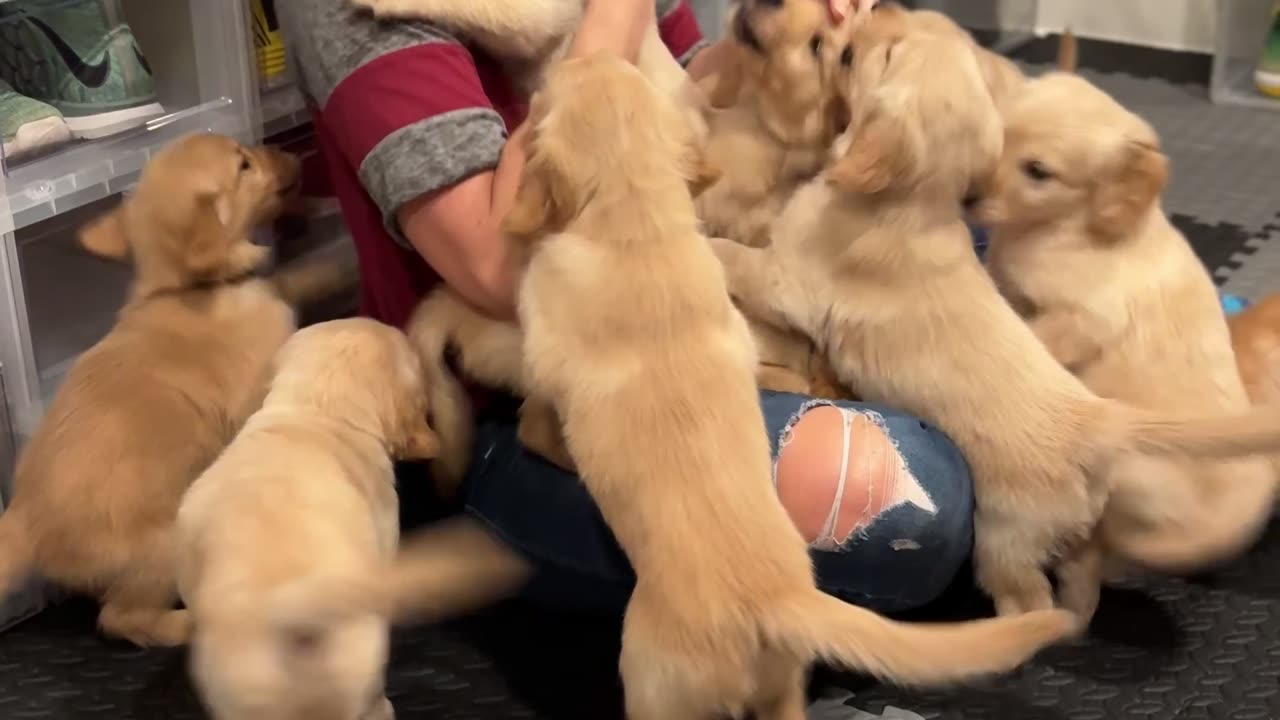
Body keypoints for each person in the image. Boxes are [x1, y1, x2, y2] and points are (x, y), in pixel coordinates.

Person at [275, 0, 975, 614]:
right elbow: (494, 267)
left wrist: (791, 37)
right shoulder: (353, 11)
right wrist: (612, 17)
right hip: (527, 398)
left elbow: (693, 94)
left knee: (949, 239)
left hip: (689, 311)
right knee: (916, 497)